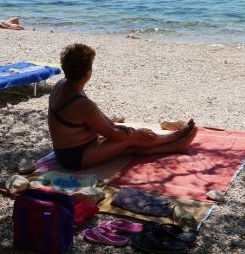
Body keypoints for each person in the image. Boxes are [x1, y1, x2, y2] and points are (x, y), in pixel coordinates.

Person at [48, 43, 197, 170]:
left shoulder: (62, 85)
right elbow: (111, 135)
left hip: (70, 149)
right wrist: (136, 133)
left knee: (128, 142)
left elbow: (96, 117)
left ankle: (177, 145)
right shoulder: (81, 103)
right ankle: (175, 138)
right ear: (88, 73)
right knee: (129, 141)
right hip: (74, 156)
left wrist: (117, 125)